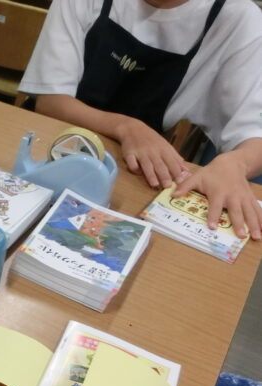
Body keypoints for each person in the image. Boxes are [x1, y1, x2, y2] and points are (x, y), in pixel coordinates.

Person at [19, 0, 262, 240]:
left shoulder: (238, 18)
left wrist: (236, 163)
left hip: (134, 172)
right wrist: (126, 127)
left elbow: (255, 135)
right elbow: (50, 102)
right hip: (53, 144)